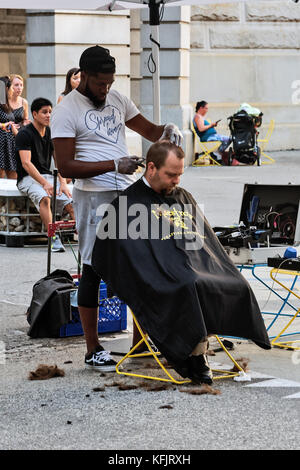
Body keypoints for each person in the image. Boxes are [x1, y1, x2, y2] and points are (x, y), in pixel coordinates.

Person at [92, 140, 271, 384]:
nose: (177, 181)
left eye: (180, 175)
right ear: (152, 168)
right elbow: (115, 257)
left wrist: (213, 264)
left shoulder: (183, 196)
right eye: (171, 175)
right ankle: (196, 355)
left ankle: (202, 341)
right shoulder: (125, 205)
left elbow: (204, 241)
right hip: (156, 275)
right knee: (191, 286)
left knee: (235, 281)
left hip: (192, 266)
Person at [51, 45, 183, 373]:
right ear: (83, 77)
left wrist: (167, 131)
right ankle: (92, 347)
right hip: (92, 197)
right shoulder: (66, 110)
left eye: (109, 83)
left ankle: (141, 340)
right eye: (99, 83)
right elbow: (65, 166)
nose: (105, 89)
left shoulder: (118, 99)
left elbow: (150, 132)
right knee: (94, 268)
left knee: (140, 263)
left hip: (126, 193)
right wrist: (114, 163)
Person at [15, 97, 74, 253]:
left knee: (71, 203)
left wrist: (63, 183)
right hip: (27, 179)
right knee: (44, 198)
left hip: (47, 177)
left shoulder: (50, 132)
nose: (48, 115)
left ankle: (82, 236)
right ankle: (53, 238)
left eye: (50, 112)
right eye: (44, 112)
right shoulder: (24, 134)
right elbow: (26, 163)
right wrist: (44, 183)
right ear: (34, 114)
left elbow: (59, 160)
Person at [0, 75, 27, 179]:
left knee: (14, 179)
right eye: (13, 86)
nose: (16, 89)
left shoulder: (6, 104)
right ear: (6, 89)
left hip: (10, 144)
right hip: (1, 145)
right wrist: (3, 125)